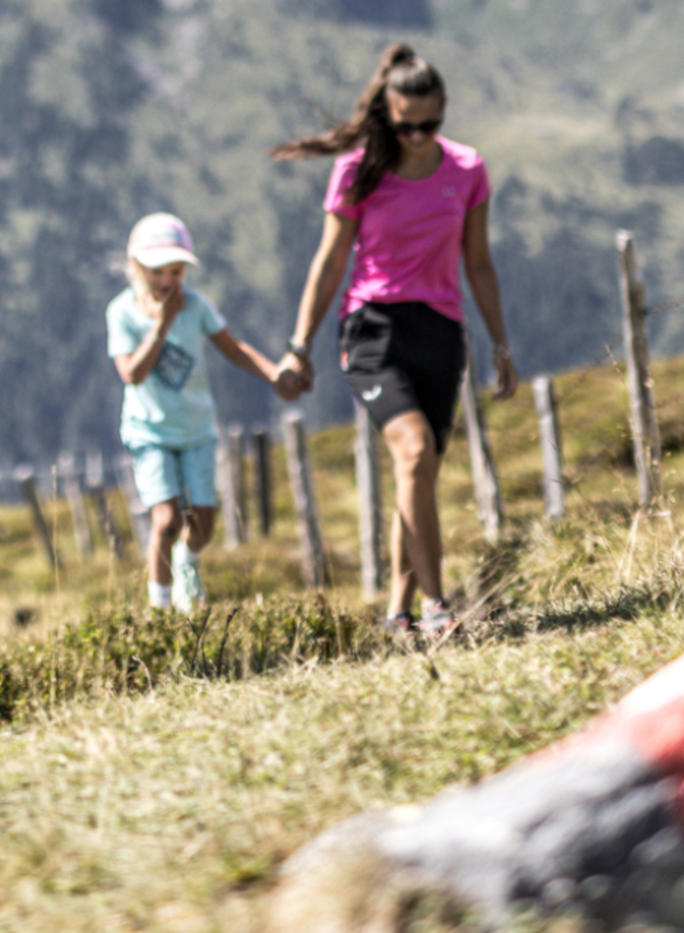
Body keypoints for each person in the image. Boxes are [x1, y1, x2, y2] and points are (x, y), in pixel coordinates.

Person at [270, 43, 516, 637]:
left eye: (431, 124)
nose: (418, 136)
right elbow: (328, 263)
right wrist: (299, 345)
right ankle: (436, 605)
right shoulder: (358, 171)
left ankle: (397, 612)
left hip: (440, 332)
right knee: (411, 452)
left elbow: (478, 263)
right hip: (371, 330)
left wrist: (501, 345)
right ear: (388, 114)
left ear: (444, 112)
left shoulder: (467, 169)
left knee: (421, 471)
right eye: (407, 126)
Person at [107, 212, 286, 612]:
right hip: (149, 433)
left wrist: (274, 374)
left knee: (203, 524)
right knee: (166, 521)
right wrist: (162, 324)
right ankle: (161, 610)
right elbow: (131, 373)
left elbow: (233, 348)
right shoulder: (122, 313)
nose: (167, 282)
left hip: (197, 430)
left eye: (176, 271)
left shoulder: (198, 307)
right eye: (157, 272)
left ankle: (188, 565)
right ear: (136, 268)